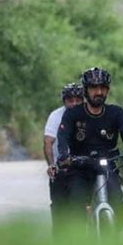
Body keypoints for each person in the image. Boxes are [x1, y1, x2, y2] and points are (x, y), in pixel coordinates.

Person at [56, 67, 123, 231]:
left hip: (107, 166)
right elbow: (63, 136)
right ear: (86, 90)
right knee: (76, 209)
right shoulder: (73, 114)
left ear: (107, 90)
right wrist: (64, 154)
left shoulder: (116, 113)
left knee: (119, 208)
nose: (99, 92)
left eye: (103, 88)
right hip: (79, 167)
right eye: (94, 88)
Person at [43, 83, 84, 236]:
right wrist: (52, 164)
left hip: (84, 166)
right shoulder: (56, 116)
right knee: (60, 208)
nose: (74, 103)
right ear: (64, 101)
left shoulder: (90, 113)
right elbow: (48, 142)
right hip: (63, 167)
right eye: (70, 100)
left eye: (78, 100)